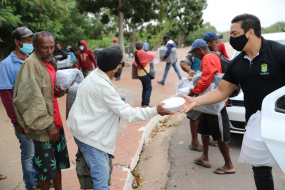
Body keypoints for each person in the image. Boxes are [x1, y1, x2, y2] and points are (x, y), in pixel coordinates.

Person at [180, 13, 285, 189]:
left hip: (281, 120)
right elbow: (221, 91)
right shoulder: (237, 63)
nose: (231, 38)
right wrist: (195, 101)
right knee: (260, 170)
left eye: (235, 34)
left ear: (250, 32)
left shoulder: (278, 52)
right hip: (256, 122)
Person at [66, 48, 173, 190]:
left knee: (100, 173)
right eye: (120, 65)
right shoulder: (103, 86)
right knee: (101, 180)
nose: (120, 68)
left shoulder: (94, 75)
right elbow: (128, 113)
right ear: (113, 67)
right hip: (89, 137)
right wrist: (155, 111)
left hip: (85, 130)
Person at [13, 31, 70, 190]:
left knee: (57, 164)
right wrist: (48, 125)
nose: (49, 51)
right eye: (44, 48)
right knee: (45, 171)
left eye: (52, 48)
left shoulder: (49, 62)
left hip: (56, 122)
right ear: (35, 47)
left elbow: (45, 91)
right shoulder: (31, 64)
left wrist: (58, 91)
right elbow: (32, 98)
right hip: (44, 127)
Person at [186, 39, 235, 175]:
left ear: (200, 49)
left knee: (219, 134)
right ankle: (205, 157)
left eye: (195, 52)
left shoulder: (208, 57)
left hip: (215, 103)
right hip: (208, 103)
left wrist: (193, 91)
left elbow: (206, 79)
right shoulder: (215, 55)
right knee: (204, 129)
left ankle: (229, 164)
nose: (195, 56)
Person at [0, 26, 39, 190]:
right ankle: (30, 184)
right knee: (28, 152)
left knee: (38, 150)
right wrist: (16, 121)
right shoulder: (6, 65)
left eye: (31, 40)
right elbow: (6, 95)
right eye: (27, 41)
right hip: (22, 119)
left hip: (38, 116)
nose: (31, 43)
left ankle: (39, 179)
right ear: (17, 42)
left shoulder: (33, 59)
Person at [133, 41, 156, 107]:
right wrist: (154, 54)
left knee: (145, 88)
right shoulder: (142, 52)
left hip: (140, 74)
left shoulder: (136, 52)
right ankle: (146, 104)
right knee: (149, 88)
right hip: (145, 74)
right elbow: (152, 57)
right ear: (142, 46)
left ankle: (143, 103)